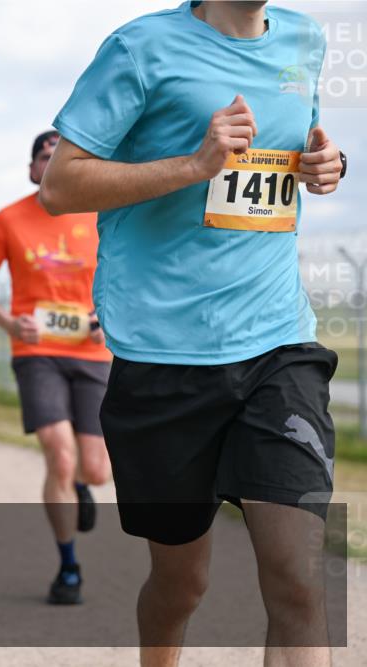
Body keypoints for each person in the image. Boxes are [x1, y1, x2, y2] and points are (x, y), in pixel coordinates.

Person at [40, 2, 346, 663]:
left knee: (298, 577)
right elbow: (61, 186)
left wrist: (325, 166)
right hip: (164, 356)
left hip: (277, 344)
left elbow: (295, 147)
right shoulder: (139, 48)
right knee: (182, 583)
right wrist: (195, 164)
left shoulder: (305, 39)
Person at [0, 130, 111, 605]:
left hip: (92, 355)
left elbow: (129, 279)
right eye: (45, 156)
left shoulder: (102, 217)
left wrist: (107, 319)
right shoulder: (8, 219)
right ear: (32, 169)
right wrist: (9, 322)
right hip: (36, 353)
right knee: (60, 455)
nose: (53, 163)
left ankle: (77, 489)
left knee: (96, 469)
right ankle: (69, 567)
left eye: (63, 156)